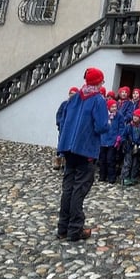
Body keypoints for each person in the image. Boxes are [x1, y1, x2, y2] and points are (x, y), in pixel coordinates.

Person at [56, 67, 109, 242]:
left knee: (68, 188)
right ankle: (75, 229)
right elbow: (101, 126)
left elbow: (63, 120)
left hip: (70, 148)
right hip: (86, 149)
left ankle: (63, 227)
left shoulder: (75, 97)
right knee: (79, 189)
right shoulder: (98, 100)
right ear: (98, 81)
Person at [53, 87, 79, 170]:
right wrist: (59, 123)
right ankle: (58, 160)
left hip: (71, 129)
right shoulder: (64, 104)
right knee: (61, 143)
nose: (72, 95)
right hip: (63, 127)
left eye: (74, 94)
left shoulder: (77, 106)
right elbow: (59, 114)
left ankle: (65, 161)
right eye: (71, 93)